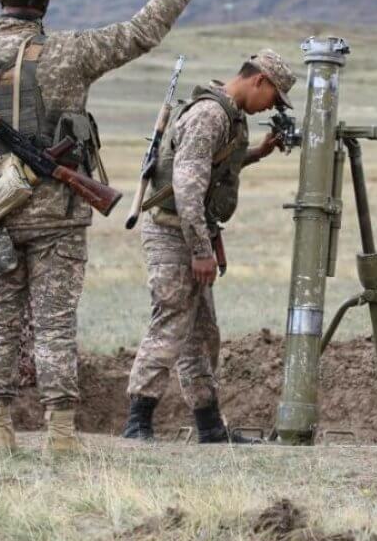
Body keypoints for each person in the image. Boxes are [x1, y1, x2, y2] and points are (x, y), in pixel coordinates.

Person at [0, 0, 212, 456]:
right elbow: (140, 32)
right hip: (58, 219)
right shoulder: (70, 54)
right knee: (54, 326)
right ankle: (60, 435)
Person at [122, 50, 296, 443]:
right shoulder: (210, 116)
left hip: (190, 229)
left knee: (203, 334)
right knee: (171, 320)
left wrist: (257, 153)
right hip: (174, 232)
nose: (269, 107)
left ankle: (210, 428)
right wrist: (201, 251)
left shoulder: (227, 116)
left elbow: (212, 168)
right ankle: (137, 423)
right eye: (273, 97)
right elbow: (187, 187)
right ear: (259, 81)